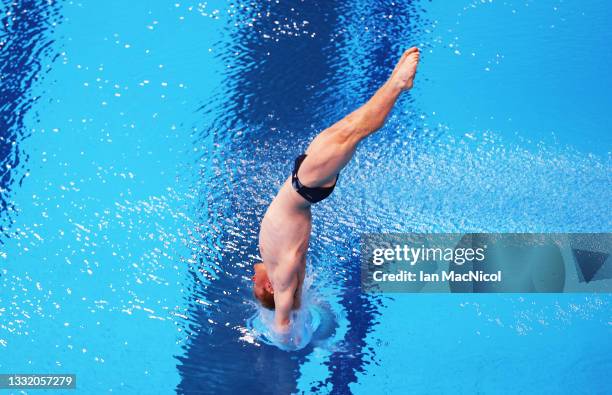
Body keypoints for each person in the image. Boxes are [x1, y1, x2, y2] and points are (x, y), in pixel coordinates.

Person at [252, 47, 421, 332]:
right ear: (269, 285)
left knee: (351, 126)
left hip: (303, 183)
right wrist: (283, 329)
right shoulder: (281, 277)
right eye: (256, 288)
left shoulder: (277, 267)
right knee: (357, 129)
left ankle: (395, 83)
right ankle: (398, 85)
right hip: (304, 185)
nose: (251, 279)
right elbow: (283, 317)